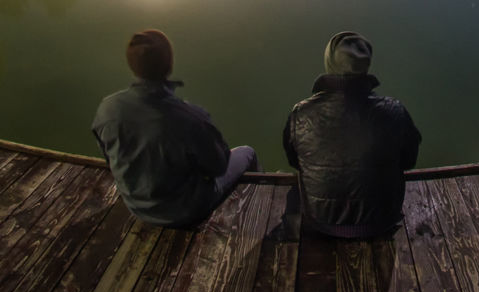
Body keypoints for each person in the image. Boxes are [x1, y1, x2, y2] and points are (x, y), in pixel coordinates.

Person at [92, 29, 258, 227]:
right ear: (169, 65)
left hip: (136, 206)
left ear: (132, 66)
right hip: (185, 210)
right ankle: (260, 198)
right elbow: (219, 166)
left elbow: (109, 157)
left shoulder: (108, 108)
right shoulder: (190, 118)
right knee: (247, 153)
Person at [282, 31, 421, 238]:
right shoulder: (395, 111)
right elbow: (409, 161)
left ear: (329, 62)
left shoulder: (300, 113)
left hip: (321, 222)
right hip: (380, 223)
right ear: (366, 65)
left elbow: (295, 161)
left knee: (295, 188)